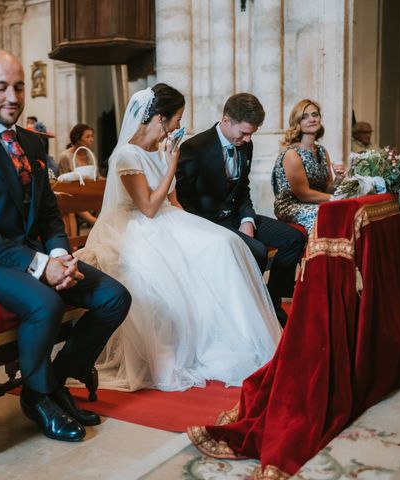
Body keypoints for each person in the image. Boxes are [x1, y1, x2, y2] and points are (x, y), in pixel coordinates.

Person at [0, 50, 131, 442]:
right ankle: (40, 396)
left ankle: (51, 381)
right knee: (46, 304)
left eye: (19, 87)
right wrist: (41, 265)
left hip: (28, 252)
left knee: (114, 297)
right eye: (1, 87)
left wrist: (59, 254)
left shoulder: (31, 142)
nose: (12, 96)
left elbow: (48, 214)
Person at [75, 85, 282, 392]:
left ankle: (237, 333)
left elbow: (174, 204)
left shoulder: (160, 150)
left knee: (224, 243)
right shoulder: (126, 155)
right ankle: (210, 338)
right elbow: (147, 207)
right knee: (202, 256)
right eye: (176, 119)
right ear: (160, 118)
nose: (177, 126)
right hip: (135, 227)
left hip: (167, 219)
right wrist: (172, 164)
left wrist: (195, 228)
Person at [176, 93, 305, 326]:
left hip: (236, 215)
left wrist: (247, 218)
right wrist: (201, 228)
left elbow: (243, 187)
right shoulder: (194, 148)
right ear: (226, 121)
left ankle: (271, 301)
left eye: (251, 133)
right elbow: (182, 197)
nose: (247, 139)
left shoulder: (246, 145)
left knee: (293, 238)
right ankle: (244, 310)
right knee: (256, 250)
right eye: (244, 133)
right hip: (208, 221)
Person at [272, 99, 345, 234]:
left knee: (345, 210)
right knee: (328, 213)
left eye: (315, 115)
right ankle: (318, 254)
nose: (312, 119)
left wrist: (339, 179)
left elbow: (327, 187)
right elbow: (304, 194)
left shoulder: (322, 151)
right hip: (291, 206)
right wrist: (336, 199)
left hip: (314, 202)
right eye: (304, 117)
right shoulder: (292, 154)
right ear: (297, 123)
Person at [57, 124, 98, 225]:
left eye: (92, 136)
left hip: (90, 192)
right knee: (72, 201)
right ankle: (94, 222)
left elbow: (97, 177)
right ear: (77, 138)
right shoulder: (66, 156)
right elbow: (63, 184)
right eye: (87, 136)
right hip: (73, 195)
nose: (91, 139)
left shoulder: (91, 155)